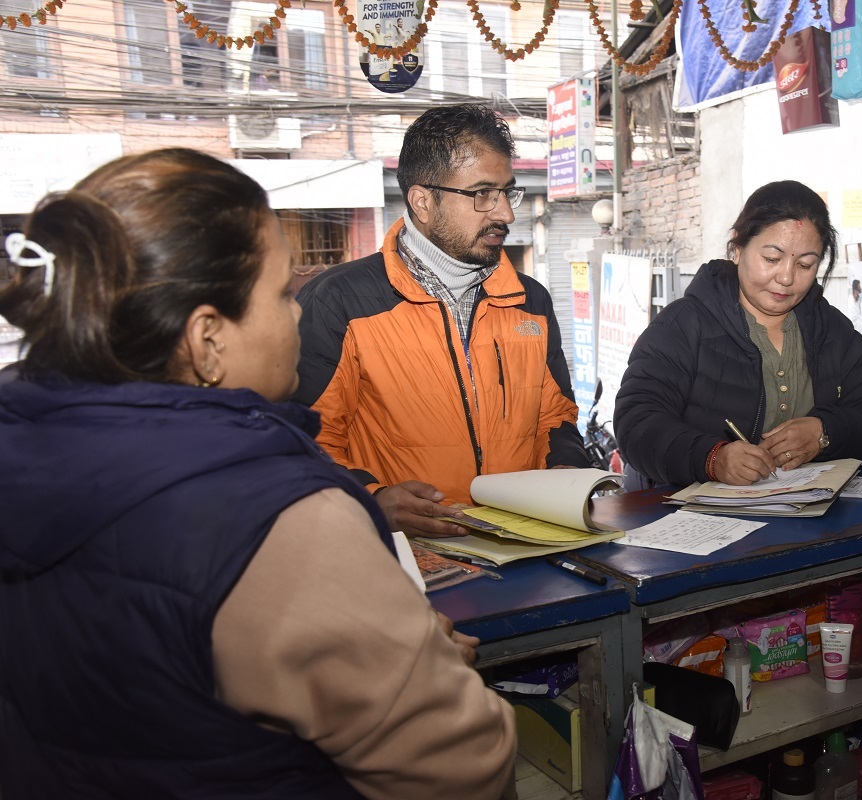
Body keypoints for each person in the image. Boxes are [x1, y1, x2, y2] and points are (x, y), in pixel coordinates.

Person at [0, 149, 516, 799]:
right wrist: (423, 663)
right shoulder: (281, 521)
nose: (299, 312)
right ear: (207, 339)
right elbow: (461, 768)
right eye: (280, 292)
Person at [296, 104, 589, 536]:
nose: (505, 213)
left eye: (508, 192)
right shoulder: (340, 301)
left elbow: (556, 418)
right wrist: (372, 500)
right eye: (482, 194)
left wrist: (569, 477)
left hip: (526, 544)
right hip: (405, 557)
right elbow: (303, 440)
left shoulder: (531, 301)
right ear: (422, 201)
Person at [613, 180, 862, 489]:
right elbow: (635, 423)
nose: (786, 277)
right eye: (771, 258)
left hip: (804, 514)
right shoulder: (683, 325)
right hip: (699, 521)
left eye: (805, 264)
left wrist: (824, 432)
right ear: (738, 248)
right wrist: (711, 459)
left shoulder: (832, 330)